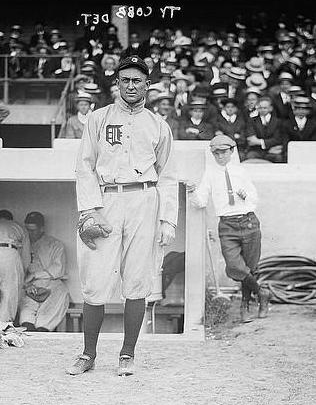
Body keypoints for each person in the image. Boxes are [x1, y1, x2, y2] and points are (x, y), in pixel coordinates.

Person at [67, 55, 178, 376]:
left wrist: (168, 219)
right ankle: (88, 354)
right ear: (117, 83)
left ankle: (127, 353)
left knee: (137, 279)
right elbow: (84, 166)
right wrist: (89, 210)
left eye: (137, 80)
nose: (131, 85)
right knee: (96, 279)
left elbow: (168, 174)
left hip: (145, 198)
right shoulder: (98, 119)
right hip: (106, 200)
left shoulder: (158, 124)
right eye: (125, 80)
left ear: (147, 85)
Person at [186, 135, 271, 323]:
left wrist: (245, 195)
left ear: (232, 151)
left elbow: (254, 198)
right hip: (227, 225)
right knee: (235, 266)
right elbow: (201, 201)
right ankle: (262, 293)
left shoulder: (241, 171)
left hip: (248, 222)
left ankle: (245, 307)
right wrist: (192, 191)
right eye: (216, 153)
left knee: (250, 268)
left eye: (224, 152)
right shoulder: (209, 173)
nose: (220, 156)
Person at [19, 212, 70, 332]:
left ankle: (43, 329)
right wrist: (26, 284)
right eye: (28, 230)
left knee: (53, 305)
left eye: (33, 230)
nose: (30, 234)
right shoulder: (22, 245)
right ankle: (29, 328)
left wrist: (36, 275)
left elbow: (58, 270)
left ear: (42, 228)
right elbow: (18, 270)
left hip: (51, 283)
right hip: (30, 285)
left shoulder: (55, 244)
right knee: (27, 308)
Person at [245, 96, 284, 162]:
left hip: (273, 150)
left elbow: (277, 139)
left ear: (270, 108)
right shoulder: (252, 121)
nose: (262, 110)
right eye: (260, 108)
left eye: (265, 108)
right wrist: (258, 142)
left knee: (278, 158)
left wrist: (259, 142)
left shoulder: (278, 122)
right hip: (256, 150)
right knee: (250, 156)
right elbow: (251, 140)